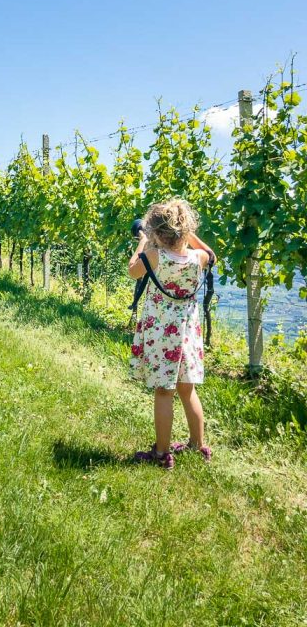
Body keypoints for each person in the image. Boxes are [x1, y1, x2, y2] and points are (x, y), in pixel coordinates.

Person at [128, 199, 216, 469]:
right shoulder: (197, 258)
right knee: (187, 390)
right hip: (187, 333)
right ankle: (197, 444)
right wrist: (187, 234)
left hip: (160, 333)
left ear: (157, 232)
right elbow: (211, 254)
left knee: (164, 391)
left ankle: (161, 453)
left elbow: (133, 271)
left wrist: (143, 242)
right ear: (184, 231)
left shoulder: (155, 256)